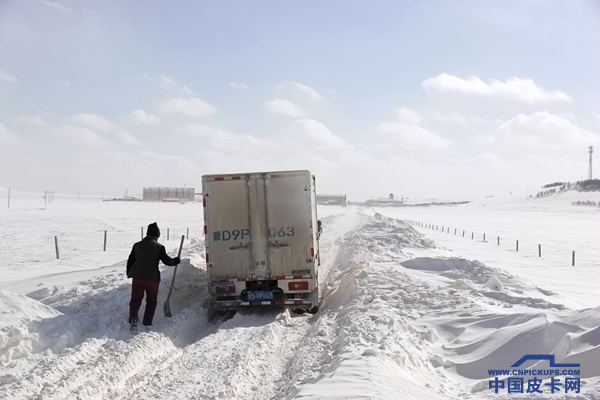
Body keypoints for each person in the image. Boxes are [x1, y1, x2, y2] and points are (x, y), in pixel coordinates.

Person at [126, 222, 180, 330]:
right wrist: (176, 261)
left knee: (135, 299)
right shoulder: (159, 247)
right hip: (152, 279)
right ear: (157, 235)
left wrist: (129, 273)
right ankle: (147, 322)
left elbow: (130, 260)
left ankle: (133, 319)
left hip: (137, 277)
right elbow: (167, 261)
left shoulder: (137, 245)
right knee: (151, 301)